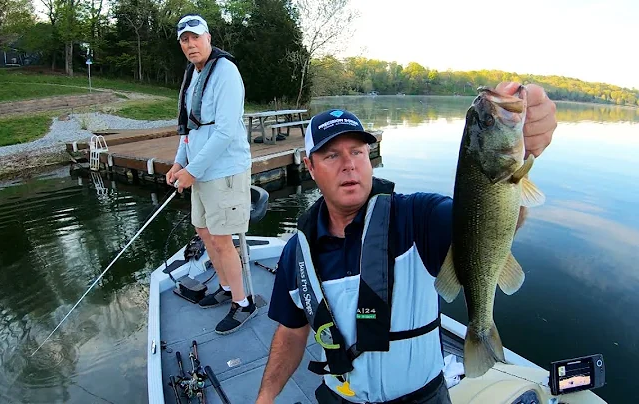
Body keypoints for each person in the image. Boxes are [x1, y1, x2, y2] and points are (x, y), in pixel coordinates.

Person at [255, 82, 557, 403]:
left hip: (424, 396)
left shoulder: (417, 217)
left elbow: (484, 224)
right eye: (331, 155)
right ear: (310, 167)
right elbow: (291, 332)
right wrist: (265, 397)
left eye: (357, 151)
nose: (349, 164)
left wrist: (528, 142)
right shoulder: (297, 253)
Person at [166, 14, 256, 335]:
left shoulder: (226, 72)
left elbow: (225, 131)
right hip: (199, 170)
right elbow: (189, 126)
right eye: (184, 40)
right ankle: (226, 287)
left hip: (225, 171)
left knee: (221, 239)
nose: (190, 45)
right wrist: (180, 163)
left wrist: (192, 169)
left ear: (207, 37)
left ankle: (243, 303)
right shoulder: (194, 73)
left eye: (195, 38)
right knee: (203, 231)